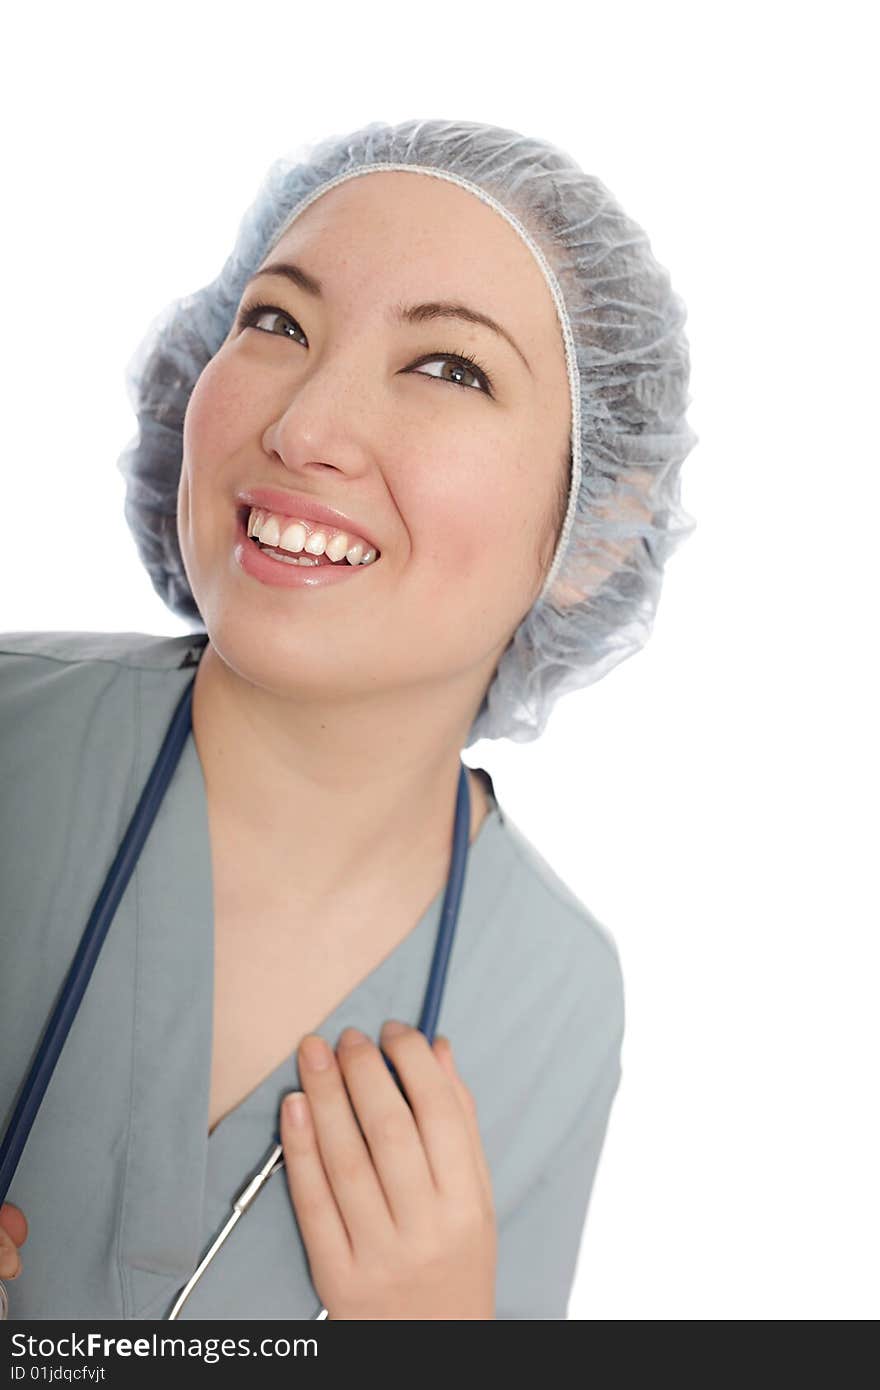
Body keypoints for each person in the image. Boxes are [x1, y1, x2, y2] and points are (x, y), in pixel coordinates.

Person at [0, 117, 698, 1319]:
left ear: (599, 522)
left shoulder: (551, 998)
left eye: (448, 368)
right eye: (275, 323)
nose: (303, 426)